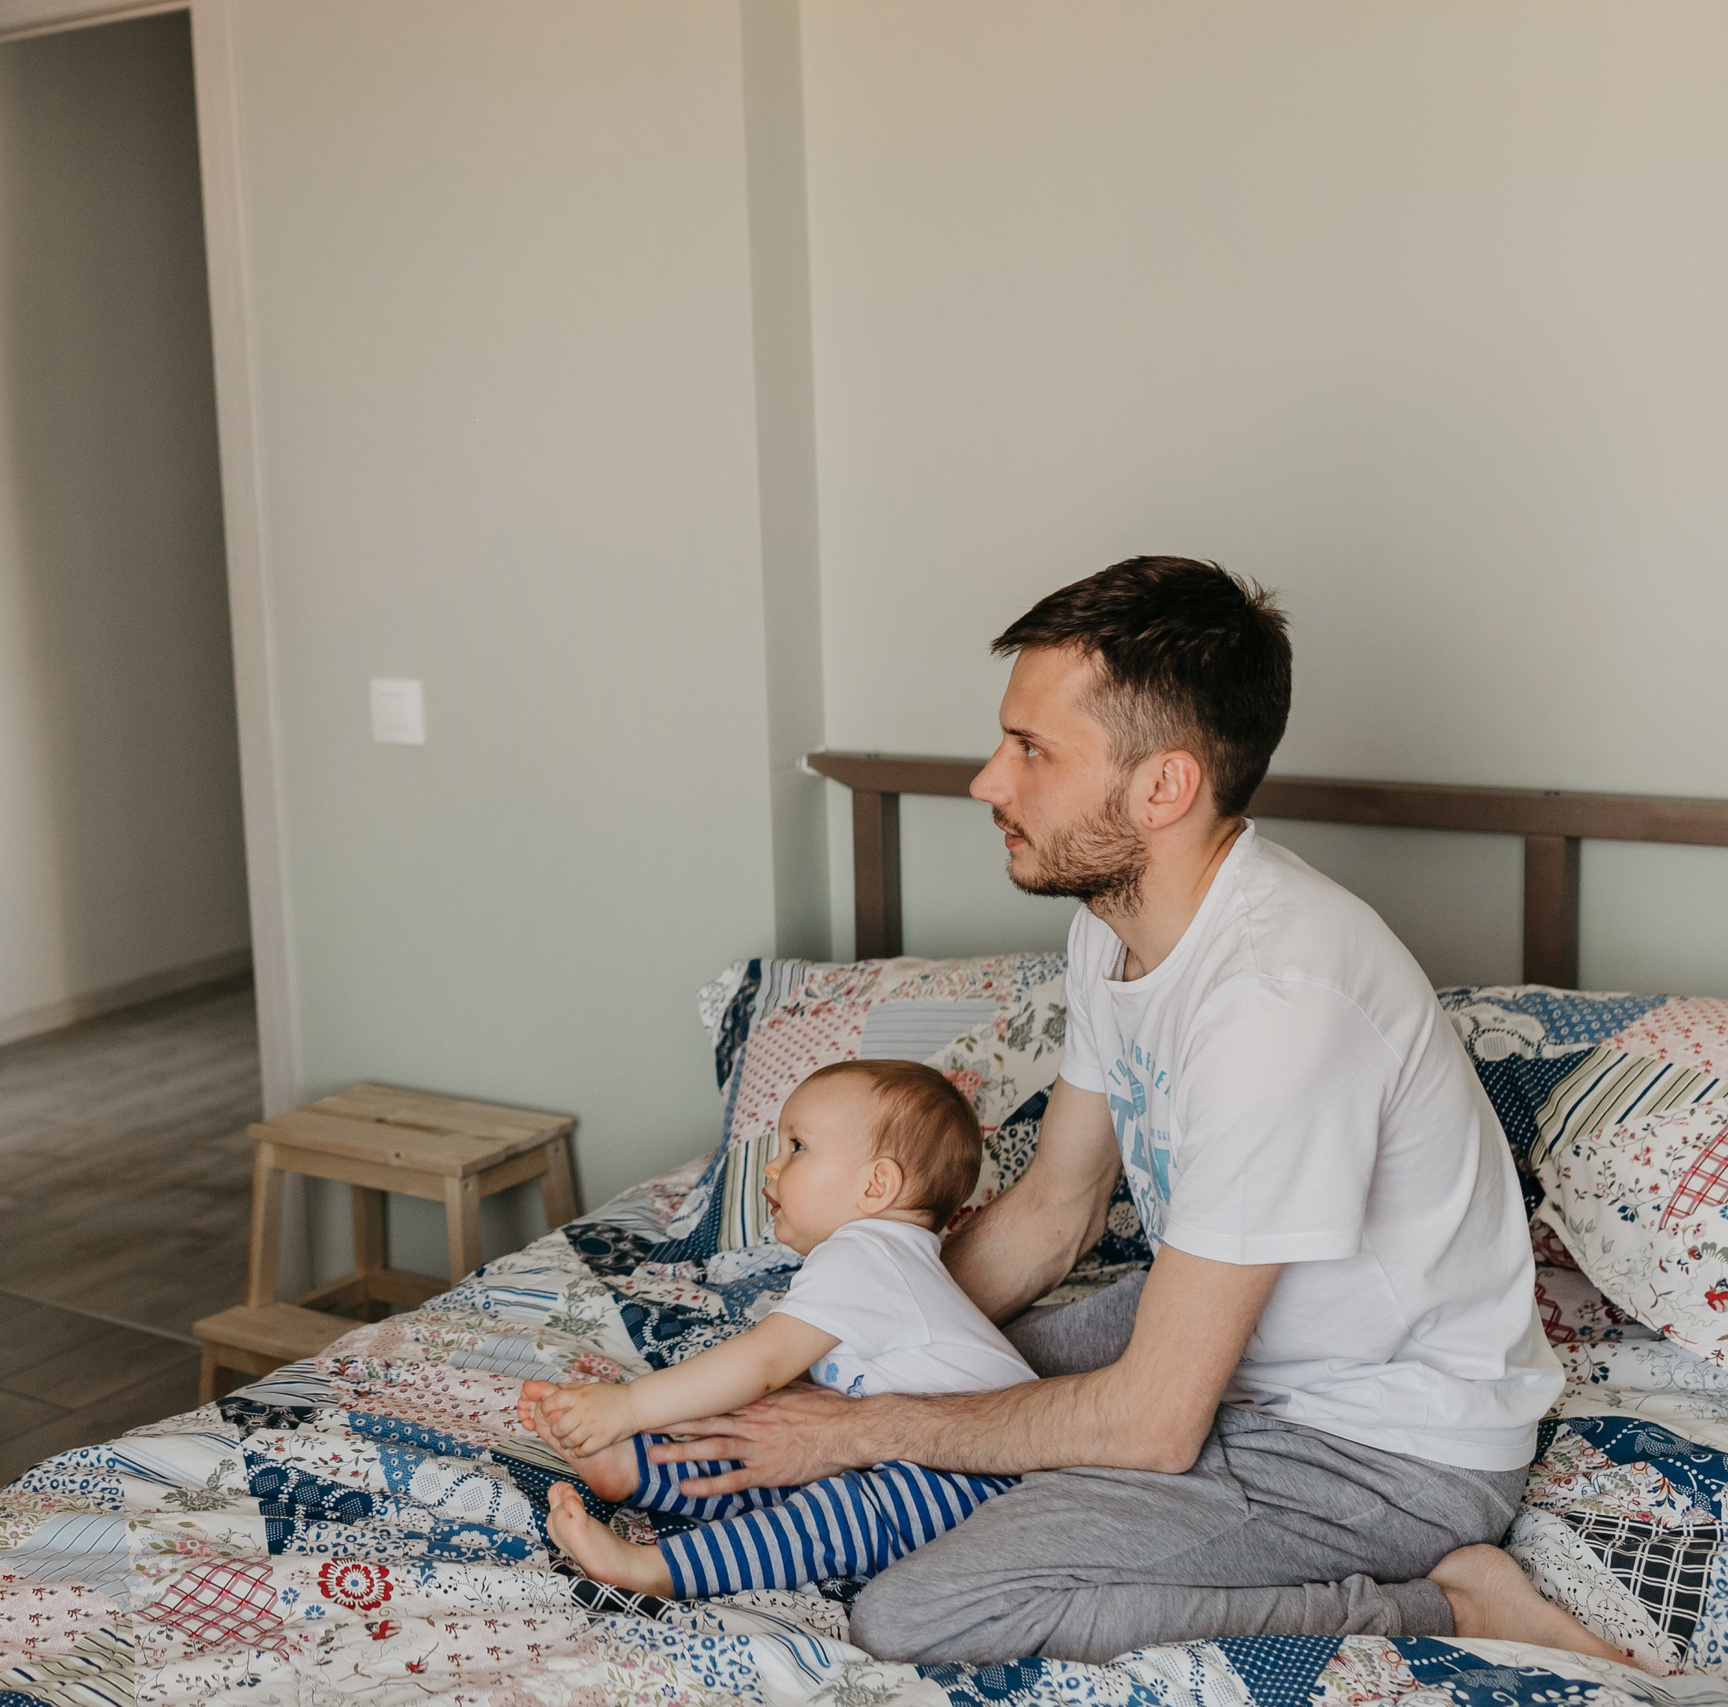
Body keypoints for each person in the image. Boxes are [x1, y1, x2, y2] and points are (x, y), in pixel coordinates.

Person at [641, 557, 1625, 1665]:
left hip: (1374, 1441)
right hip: (1228, 1340)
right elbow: (1055, 1210)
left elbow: (1153, 1425)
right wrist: (833, 1350)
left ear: (1162, 788)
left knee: (921, 1612)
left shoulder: (1277, 1003)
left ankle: (1450, 1605)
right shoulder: (1115, 920)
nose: (984, 782)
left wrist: (858, 1429)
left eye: (1030, 750)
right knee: (931, 1376)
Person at [521, 1059, 1035, 1599]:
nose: (771, 1168)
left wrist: (624, 1407)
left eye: (797, 1147)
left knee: (838, 1512)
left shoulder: (867, 1255)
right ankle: (634, 1467)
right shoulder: (880, 1257)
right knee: (771, 1438)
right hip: (917, 1453)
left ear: (876, 1183)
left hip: (985, 1480)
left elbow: (760, 1363)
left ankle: (660, 1569)